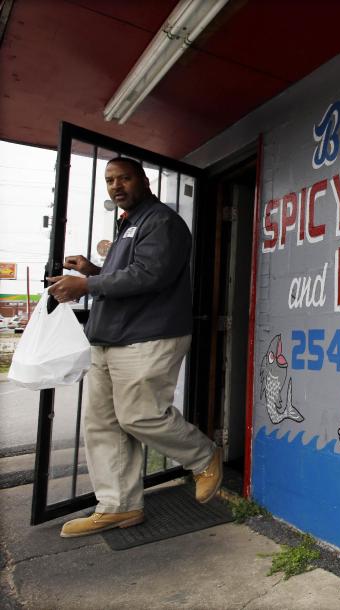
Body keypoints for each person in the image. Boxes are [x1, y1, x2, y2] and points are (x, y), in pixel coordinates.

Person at [46, 157, 221, 538]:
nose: (116, 186)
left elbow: (150, 275)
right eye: (109, 180)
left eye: (124, 177)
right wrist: (93, 271)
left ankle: (204, 456)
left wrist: (86, 286)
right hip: (109, 337)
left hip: (149, 335)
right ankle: (119, 507)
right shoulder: (128, 223)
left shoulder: (162, 221)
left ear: (143, 179)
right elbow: (125, 274)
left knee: (140, 416)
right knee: (103, 425)